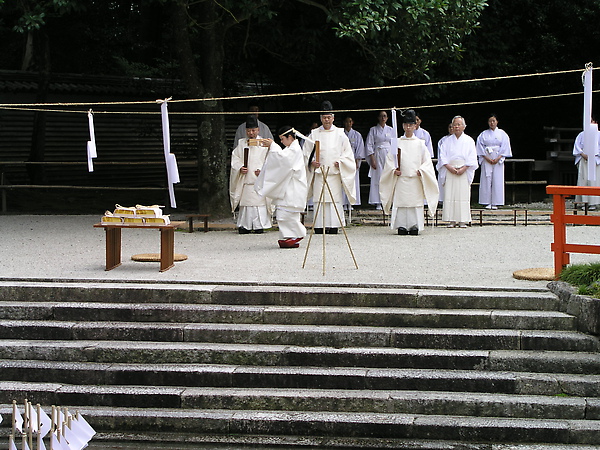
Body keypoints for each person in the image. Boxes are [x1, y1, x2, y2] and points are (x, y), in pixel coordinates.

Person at [379, 110, 439, 235]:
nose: (408, 127)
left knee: (414, 204)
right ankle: (401, 225)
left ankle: (414, 225)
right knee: (401, 204)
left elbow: (427, 161)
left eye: (411, 125)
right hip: (401, 179)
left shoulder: (420, 144)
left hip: (415, 179)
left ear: (415, 126)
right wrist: (393, 170)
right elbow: (390, 160)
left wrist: (422, 170)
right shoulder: (397, 142)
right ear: (403, 126)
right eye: (406, 125)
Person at [303, 100, 356, 234]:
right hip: (320, 173)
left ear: (333, 118)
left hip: (334, 173)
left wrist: (342, 162)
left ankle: (334, 225)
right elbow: (306, 153)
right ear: (321, 118)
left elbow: (347, 153)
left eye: (329, 117)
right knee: (320, 200)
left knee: (334, 200)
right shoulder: (314, 133)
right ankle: (319, 225)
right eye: (324, 117)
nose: (327, 120)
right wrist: (311, 162)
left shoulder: (340, 133)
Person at [255, 126, 308, 248]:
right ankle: (289, 236)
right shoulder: (291, 149)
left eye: (282, 139)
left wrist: (273, 145)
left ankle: (297, 234)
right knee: (283, 214)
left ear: (290, 137)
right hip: (288, 187)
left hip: (293, 187)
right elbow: (281, 160)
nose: (282, 142)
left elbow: (283, 160)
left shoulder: (294, 150)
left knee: (287, 213)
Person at [229, 115, 272, 233]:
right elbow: (235, 159)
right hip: (246, 181)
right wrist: (239, 168)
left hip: (258, 180)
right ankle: (245, 225)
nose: (251, 133)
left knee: (259, 204)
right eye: (249, 130)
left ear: (258, 130)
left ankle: (259, 225)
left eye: (253, 130)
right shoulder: (241, 143)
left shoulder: (264, 144)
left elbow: (270, 160)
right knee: (246, 205)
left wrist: (263, 171)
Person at [437, 115, 478, 228]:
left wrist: (464, 168)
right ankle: (451, 220)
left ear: (464, 126)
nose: (456, 127)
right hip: (450, 169)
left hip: (464, 170)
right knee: (450, 195)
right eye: (454, 125)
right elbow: (442, 156)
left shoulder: (469, 140)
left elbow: (472, 157)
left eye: (459, 124)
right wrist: (449, 167)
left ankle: (462, 220)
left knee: (462, 195)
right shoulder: (446, 141)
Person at [476, 113, 512, 209]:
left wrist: (498, 157)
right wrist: (486, 157)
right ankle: (486, 201)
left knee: (498, 179)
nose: (492, 123)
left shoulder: (502, 134)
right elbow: (479, 147)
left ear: (497, 122)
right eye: (490, 121)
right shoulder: (483, 134)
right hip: (486, 157)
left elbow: (505, 147)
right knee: (486, 179)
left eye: (493, 121)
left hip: (498, 157)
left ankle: (496, 202)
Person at [365, 111, 394, 209]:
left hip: (388, 155)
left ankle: (388, 200)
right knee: (378, 177)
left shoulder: (391, 130)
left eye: (385, 116)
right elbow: (369, 144)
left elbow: (394, 145)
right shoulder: (373, 130)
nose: (383, 118)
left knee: (388, 177)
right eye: (381, 116)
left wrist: (394, 159)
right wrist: (372, 159)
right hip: (377, 154)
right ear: (378, 117)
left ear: (387, 118)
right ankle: (378, 201)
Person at [573, 114, 600, 209]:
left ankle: (594, 203)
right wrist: (582, 154)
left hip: (595, 160)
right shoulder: (582, 134)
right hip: (584, 160)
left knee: (594, 181)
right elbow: (577, 146)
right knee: (583, 180)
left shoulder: (599, 134)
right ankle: (583, 202)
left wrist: (594, 155)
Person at [343, 116, 365, 208]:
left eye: (350, 121)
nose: (348, 123)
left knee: (353, 182)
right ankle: (344, 203)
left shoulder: (357, 135)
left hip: (353, 159)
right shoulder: (341, 134)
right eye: (347, 121)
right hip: (343, 160)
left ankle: (351, 203)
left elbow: (359, 149)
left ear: (352, 123)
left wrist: (357, 162)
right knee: (343, 181)